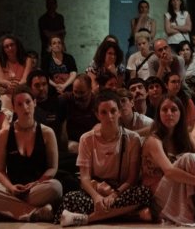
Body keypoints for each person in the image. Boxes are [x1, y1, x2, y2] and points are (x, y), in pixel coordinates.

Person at [56, 90, 152, 227]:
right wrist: (96, 197)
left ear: (119, 112)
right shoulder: (86, 139)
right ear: (97, 115)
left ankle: (87, 219)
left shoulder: (132, 139)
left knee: (144, 193)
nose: (110, 116)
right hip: (96, 190)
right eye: (104, 112)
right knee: (70, 199)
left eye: (113, 111)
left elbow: (132, 178)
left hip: (120, 190)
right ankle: (129, 214)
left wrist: (114, 195)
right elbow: (84, 178)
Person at [0, 85, 61, 222]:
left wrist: (36, 183)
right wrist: (11, 188)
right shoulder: (3, 134)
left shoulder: (47, 132)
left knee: (56, 187)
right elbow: (0, 171)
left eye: (28, 102)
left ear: (34, 102)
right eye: (19, 104)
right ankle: (33, 212)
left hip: (37, 189)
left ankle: (3, 210)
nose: (25, 107)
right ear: (14, 108)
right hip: (12, 189)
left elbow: (52, 168)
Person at [142, 95, 195, 225]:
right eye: (164, 109)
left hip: (185, 187)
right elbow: (169, 172)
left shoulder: (186, 137)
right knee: (188, 159)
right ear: (158, 114)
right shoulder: (153, 140)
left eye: (174, 109)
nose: (169, 113)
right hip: (159, 196)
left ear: (181, 113)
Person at [59, 75, 98, 154]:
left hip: (93, 141)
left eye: (82, 93)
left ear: (90, 89)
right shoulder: (66, 99)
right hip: (73, 142)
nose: (78, 96)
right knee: (73, 148)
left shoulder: (97, 102)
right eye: (75, 92)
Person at [0, 34, 32, 110]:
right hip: (6, 91)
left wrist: (16, 86)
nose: (10, 48)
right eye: (6, 46)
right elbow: (0, 79)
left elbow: (25, 79)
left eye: (12, 45)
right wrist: (9, 84)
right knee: (4, 101)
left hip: (22, 91)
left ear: (17, 45)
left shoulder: (27, 60)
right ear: (3, 49)